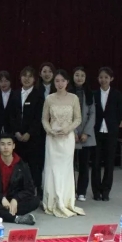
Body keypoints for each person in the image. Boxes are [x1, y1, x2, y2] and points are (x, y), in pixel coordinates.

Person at [42, 69, 84, 218]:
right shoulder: (49, 98)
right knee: (52, 168)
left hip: (67, 138)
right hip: (52, 138)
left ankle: (66, 201)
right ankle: (52, 200)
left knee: (65, 169)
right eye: (57, 81)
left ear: (67, 82)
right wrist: (50, 131)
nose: (60, 84)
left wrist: (68, 129)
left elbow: (78, 118)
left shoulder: (73, 98)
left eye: (63, 81)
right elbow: (44, 119)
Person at [0, 134, 39, 225]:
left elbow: (29, 189)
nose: (6, 147)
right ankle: (16, 218)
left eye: (9, 144)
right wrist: (1, 197)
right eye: (2, 144)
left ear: (13, 146)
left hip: (14, 200)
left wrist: (16, 199)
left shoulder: (22, 165)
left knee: (35, 201)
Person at [6, 66, 46, 199]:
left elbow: (39, 117)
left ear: (34, 79)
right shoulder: (15, 93)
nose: (27, 79)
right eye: (24, 76)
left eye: (30, 76)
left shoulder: (39, 94)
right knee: (18, 164)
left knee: (34, 165)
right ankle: (19, 189)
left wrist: (29, 133)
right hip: (17, 137)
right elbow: (11, 115)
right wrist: (16, 132)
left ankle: (36, 189)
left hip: (33, 137)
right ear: (20, 78)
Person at [92, 67, 122, 202]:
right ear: (98, 79)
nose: (103, 80)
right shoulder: (94, 94)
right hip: (96, 132)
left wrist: (114, 126)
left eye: (106, 77)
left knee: (109, 163)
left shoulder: (117, 94)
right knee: (95, 163)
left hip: (111, 132)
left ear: (111, 79)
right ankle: (96, 191)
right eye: (101, 77)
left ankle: (106, 191)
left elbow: (120, 113)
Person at [69, 66, 96, 202]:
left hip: (86, 135)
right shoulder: (68, 92)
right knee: (70, 165)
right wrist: (73, 132)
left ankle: (81, 192)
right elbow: (67, 114)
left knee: (84, 165)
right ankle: (71, 190)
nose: (79, 78)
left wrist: (86, 132)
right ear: (72, 77)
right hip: (71, 134)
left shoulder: (89, 93)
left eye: (82, 75)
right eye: (77, 75)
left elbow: (92, 114)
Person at [0, 71, 15, 138]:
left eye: (6, 81)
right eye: (0, 81)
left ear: (10, 82)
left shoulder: (16, 95)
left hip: (13, 131)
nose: (3, 84)